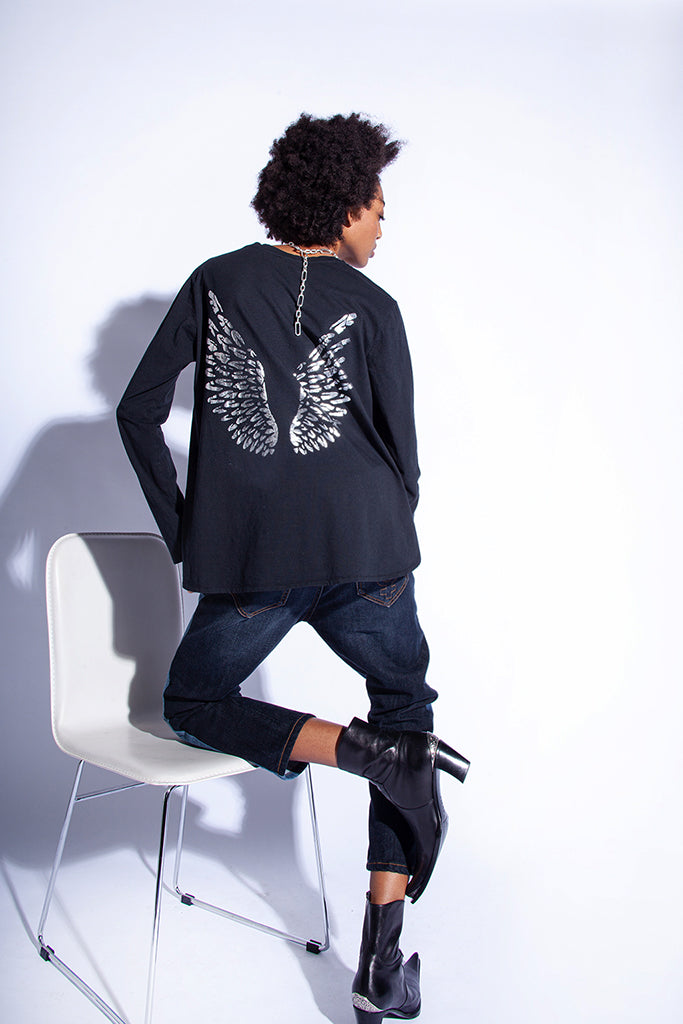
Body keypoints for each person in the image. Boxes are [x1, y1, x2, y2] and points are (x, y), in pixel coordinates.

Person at [117, 112, 469, 1023]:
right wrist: (381, 530)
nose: (384, 225)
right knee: (406, 708)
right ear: (345, 205)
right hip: (369, 557)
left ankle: (368, 755)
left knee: (193, 703)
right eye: (379, 207)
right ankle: (380, 965)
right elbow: (404, 455)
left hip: (255, 565)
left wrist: (189, 529)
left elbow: (137, 411)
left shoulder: (217, 281)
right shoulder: (374, 308)